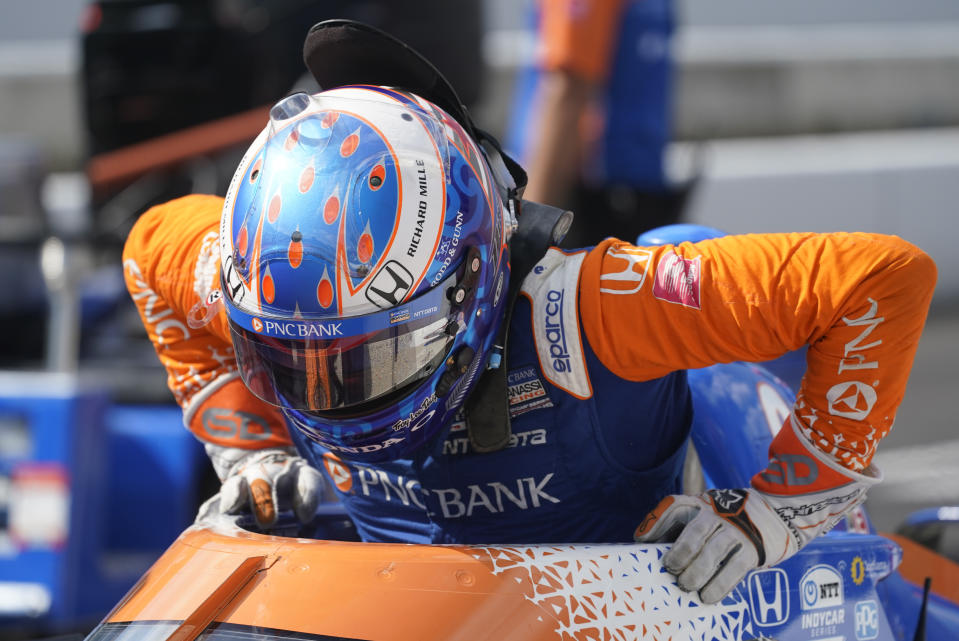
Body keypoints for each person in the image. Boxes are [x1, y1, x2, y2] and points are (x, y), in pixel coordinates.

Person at [122, 20, 937, 605]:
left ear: (469, 277)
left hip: (647, 598)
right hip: (398, 608)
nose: (330, 396)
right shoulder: (244, 276)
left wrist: (774, 514)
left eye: (369, 356)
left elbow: (882, 279)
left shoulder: (597, 310)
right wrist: (250, 452)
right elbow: (149, 248)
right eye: (292, 363)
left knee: (688, 260)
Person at [507, 0, 683, 247]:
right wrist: (528, 237)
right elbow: (567, 93)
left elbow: (567, 94)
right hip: (594, 199)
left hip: (612, 202)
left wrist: (526, 239)